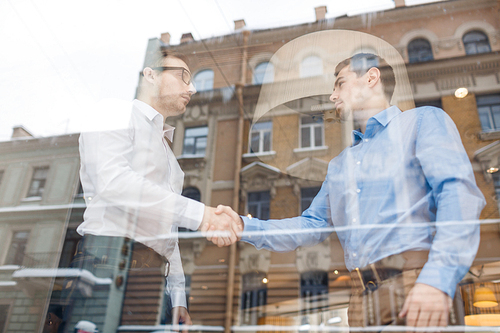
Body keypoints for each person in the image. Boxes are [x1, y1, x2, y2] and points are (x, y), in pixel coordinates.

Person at [215, 53, 485, 328]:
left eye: (339, 84)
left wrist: (438, 279)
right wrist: (243, 226)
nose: (333, 96)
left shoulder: (422, 121)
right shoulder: (341, 164)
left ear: (371, 77)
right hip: (360, 299)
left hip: (416, 283)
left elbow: (458, 194)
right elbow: (312, 224)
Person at [62, 50, 241, 330]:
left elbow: (166, 232)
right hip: (107, 262)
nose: (191, 88)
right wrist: (202, 215)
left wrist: (177, 295)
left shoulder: (169, 157)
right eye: (183, 76)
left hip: (147, 279)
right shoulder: (113, 112)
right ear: (150, 75)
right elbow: (114, 182)